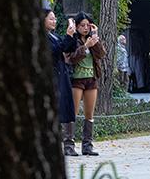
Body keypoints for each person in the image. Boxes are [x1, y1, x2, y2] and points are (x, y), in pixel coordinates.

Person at [67, 12, 107, 156]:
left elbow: (101, 54)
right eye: (82, 25)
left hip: (91, 78)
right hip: (76, 79)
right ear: (76, 26)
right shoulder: (73, 40)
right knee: (73, 112)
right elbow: (71, 58)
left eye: (87, 25)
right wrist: (85, 46)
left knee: (89, 114)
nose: (85, 28)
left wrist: (95, 37)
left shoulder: (92, 38)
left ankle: (87, 145)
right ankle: (69, 145)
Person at [44, 9, 79, 157]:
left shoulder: (54, 36)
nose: (54, 21)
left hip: (62, 75)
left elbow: (67, 47)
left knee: (65, 108)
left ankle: (67, 144)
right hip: (52, 77)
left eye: (55, 18)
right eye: (51, 19)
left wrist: (72, 34)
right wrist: (68, 36)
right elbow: (52, 51)